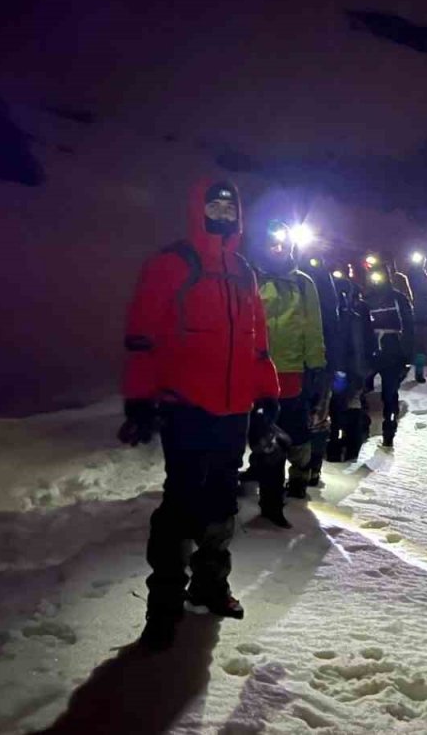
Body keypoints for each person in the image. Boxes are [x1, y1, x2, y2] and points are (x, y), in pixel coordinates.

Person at [119, 178, 280, 650]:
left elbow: (257, 343)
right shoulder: (171, 264)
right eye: (214, 207)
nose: (222, 216)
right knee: (180, 505)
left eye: (230, 209)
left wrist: (266, 397)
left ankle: (209, 584)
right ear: (198, 209)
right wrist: (140, 399)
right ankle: (163, 606)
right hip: (187, 407)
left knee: (222, 501)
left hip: (234, 410)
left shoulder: (244, 271)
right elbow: (143, 338)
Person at [246, 219, 328, 527]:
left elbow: (313, 327)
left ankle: (299, 476)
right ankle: (270, 500)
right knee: (267, 435)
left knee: (296, 433)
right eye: (272, 243)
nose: (277, 248)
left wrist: (316, 366)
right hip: (259, 372)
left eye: (282, 243)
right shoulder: (253, 279)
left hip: (293, 371)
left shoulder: (303, 283)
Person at [363, 265, 415, 448]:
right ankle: (363, 428)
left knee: (390, 394)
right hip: (372, 352)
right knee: (362, 392)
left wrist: (407, 356)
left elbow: (409, 328)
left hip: (392, 352)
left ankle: (389, 431)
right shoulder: (366, 300)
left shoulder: (398, 299)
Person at [326, 260, 373, 463]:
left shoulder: (331, 302)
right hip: (355, 366)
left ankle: (336, 448)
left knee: (337, 405)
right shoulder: (360, 306)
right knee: (350, 403)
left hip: (341, 365)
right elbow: (368, 339)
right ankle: (350, 446)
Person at [301, 257, 341, 488]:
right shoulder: (322, 282)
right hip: (315, 359)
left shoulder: (305, 280)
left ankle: (309, 468)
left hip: (313, 359)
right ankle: (310, 468)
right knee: (315, 417)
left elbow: (330, 326)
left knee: (312, 416)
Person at [404, 254, 427, 383]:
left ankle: (414, 371)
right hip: (413, 319)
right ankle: (413, 371)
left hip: (416, 319)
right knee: (418, 347)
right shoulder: (426, 281)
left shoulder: (425, 281)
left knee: (416, 347)